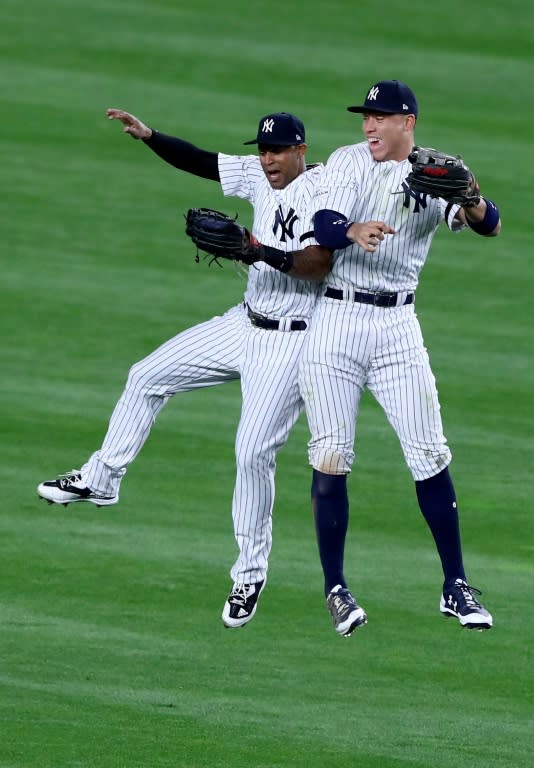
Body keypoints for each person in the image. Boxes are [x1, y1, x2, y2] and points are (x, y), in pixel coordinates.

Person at [37, 109, 332, 629]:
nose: (268, 161)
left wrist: (256, 250)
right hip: (244, 324)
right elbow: (201, 162)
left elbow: (318, 267)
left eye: (277, 152)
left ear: (300, 150)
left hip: (293, 345)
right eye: (263, 151)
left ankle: (249, 574)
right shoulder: (256, 174)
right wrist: (150, 137)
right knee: (145, 376)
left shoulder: (326, 190)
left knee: (252, 453)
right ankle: (102, 479)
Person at [298, 79, 501, 636]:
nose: (368, 126)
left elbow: (490, 223)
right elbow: (322, 224)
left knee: (429, 451)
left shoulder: (435, 172)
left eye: (380, 117)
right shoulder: (345, 162)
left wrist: (473, 197)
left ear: (407, 123)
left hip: (397, 328)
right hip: (336, 323)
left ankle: (455, 586)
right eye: (365, 116)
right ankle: (336, 588)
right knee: (331, 453)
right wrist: (352, 229)